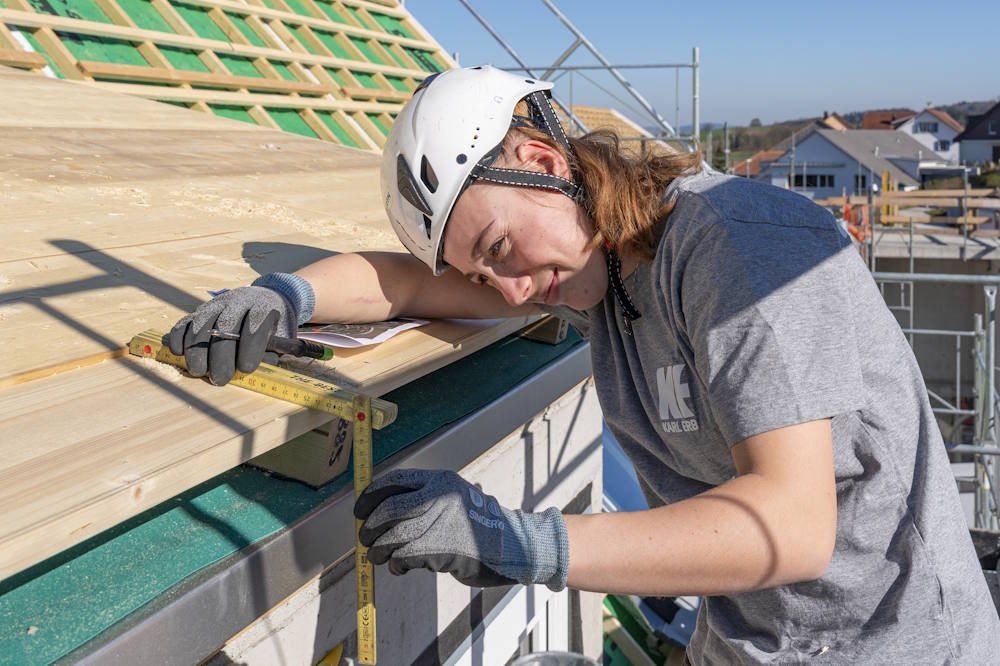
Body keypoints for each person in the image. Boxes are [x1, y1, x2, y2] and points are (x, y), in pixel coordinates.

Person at [170, 66, 1000, 663]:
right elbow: (410, 285)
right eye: (480, 274)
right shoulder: (590, 273)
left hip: (898, 643)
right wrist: (285, 297)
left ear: (540, 161)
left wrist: (515, 541)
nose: (508, 287)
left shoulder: (735, 246)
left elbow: (790, 526)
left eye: (496, 249)